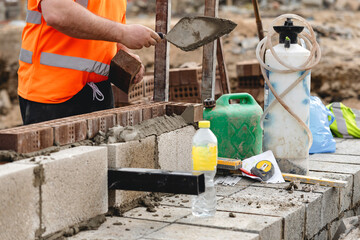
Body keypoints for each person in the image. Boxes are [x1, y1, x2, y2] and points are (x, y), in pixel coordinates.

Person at [18, 0, 161, 125]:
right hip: (52, 94)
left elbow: (106, 26)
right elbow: (57, 12)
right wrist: (123, 33)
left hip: (98, 91)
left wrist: (124, 54)